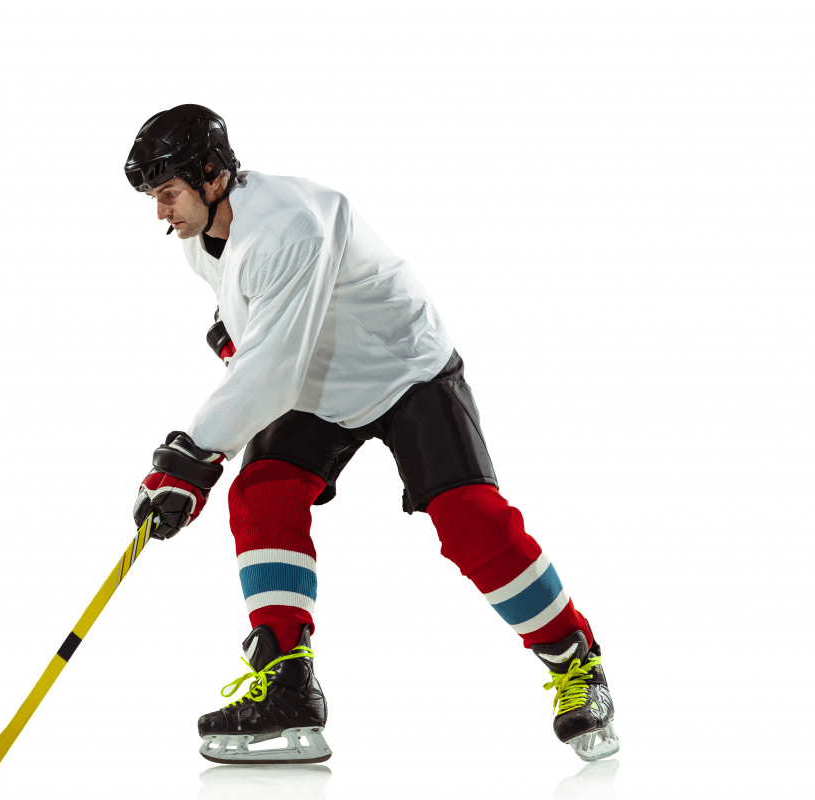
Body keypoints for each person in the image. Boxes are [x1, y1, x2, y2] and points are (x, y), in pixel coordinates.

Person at [123, 104, 618, 765]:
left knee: (467, 519)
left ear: (211, 174)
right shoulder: (198, 235)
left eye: (167, 193)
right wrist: (229, 328)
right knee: (262, 492)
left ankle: (574, 661)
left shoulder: (290, 222)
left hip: (403, 368)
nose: (161, 212)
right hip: (318, 379)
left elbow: (268, 368)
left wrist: (190, 458)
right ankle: (287, 686)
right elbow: (257, 316)